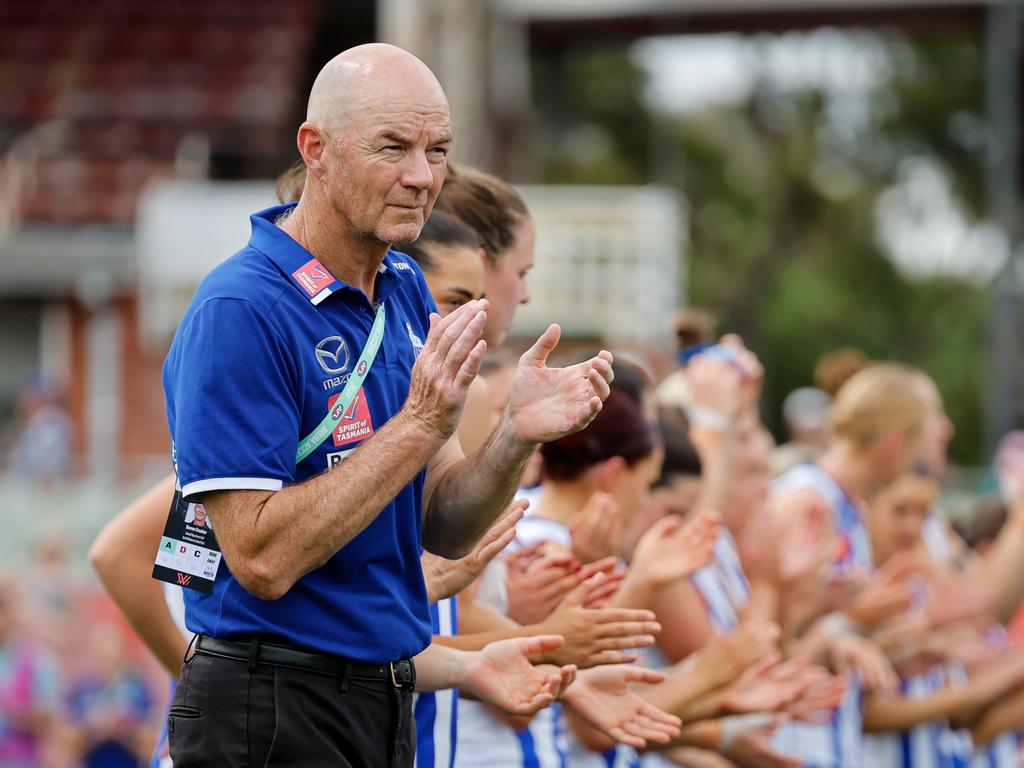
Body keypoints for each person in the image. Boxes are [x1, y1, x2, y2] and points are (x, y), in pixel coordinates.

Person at [162, 43, 614, 767]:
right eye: (393, 148)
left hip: (385, 695)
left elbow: (447, 523)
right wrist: (421, 423)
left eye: (438, 150)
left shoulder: (402, 286)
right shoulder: (240, 307)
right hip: (270, 700)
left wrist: (512, 438)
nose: (422, 177)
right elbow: (261, 558)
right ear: (316, 149)